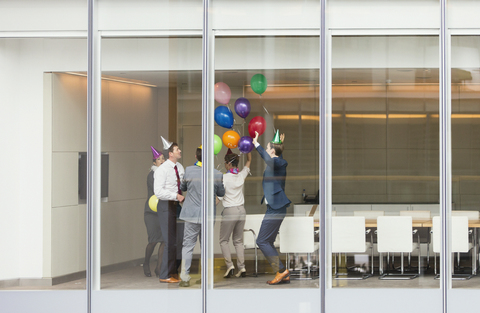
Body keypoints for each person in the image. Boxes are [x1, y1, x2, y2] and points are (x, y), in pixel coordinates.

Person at [178, 145, 225, 287]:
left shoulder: (188, 171)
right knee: (206, 247)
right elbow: (222, 193)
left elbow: (183, 188)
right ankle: (205, 277)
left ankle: (185, 278)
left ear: (196, 157)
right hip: (208, 216)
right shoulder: (217, 174)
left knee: (187, 246)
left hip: (191, 215)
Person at [252, 130, 291, 285]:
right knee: (267, 240)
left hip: (277, 208)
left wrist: (256, 144)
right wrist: (281, 145)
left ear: (272, 151)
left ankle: (281, 271)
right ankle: (283, 272)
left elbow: (271, 159)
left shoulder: (279, 163)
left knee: (262, 240)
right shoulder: (277, 161)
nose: (267, 150)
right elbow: (273, 157)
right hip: (274, 208)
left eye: (268, 148)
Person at [154, 136, 185, 283]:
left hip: (177, 206)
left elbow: (183, 185)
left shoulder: (180, 168)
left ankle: (173, 271)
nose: (180, 151)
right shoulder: (162, 170)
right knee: (169, 241)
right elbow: (158, 192)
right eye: (177, 149)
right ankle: (164, 275)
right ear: (170, 153)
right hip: (166, 206)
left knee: (178, 241)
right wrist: (175, 195)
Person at [219, 150, 251, 278]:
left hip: (230, 210)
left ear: (228, 164)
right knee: (238, 241)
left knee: (223, 240)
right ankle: (242, 268)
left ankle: (229, 265)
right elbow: (249, 161)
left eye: (225, 163)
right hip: (241, 210)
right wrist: (249, 150)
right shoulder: (241, 175)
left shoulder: (224, 178)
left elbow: (219, 196)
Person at [143, 146, 166, 277]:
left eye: (163, 158)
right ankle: (146, 262)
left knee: (163, 240)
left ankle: (159, 268)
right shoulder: (151, 175)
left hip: (162, 211)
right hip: (151, 213)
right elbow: (159, 190)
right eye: (159, 159)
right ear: (154, 163)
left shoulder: (165, 174)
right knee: (153, 240)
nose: (162, 161)